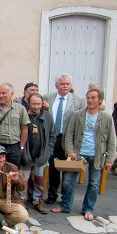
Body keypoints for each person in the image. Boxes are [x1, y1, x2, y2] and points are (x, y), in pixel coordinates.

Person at [52, 88, 116, 220]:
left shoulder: (106, 117)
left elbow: (112, 139)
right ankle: (66, 205)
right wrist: (70, 151)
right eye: (88, 97)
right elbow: (69, 134)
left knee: (93, 184)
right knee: (68, 181)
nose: (90, 100)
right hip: (78, 154)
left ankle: (88, 208)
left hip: (97, 155)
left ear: (100, 100)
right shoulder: (78, 115)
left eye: (93, 98)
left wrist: (110, 159)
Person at [42, 73, 86, 204]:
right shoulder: (47, 98)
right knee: (53, 168)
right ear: (57, 86)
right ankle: (52, 195)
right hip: (52, 139)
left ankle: (66, 198)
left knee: (69, 170)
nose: (65, 86)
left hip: (69, 140)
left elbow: (81, 121)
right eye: (62, 84)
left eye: (68, 84)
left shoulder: (79, 100)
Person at [20, 93, 55, 214]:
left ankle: (37, 200)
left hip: (42, 155)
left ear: (42, 104)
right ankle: (21, 200)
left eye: (38, 104)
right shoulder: (23, 115)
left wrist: (48, 151)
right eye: (33, 104)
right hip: (26, 155)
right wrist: (22, 151)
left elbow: (52, 135)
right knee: (23, 179)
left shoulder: (48, 117)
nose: (36, 106)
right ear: (29, 103)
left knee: (39, 180)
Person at [0, 83, 30, 167]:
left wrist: (21, 147)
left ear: (11, 93)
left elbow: (25, 128)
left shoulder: (20, 109)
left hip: (14, 147)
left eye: (4, 93)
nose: (1, 95)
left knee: (12, 173)